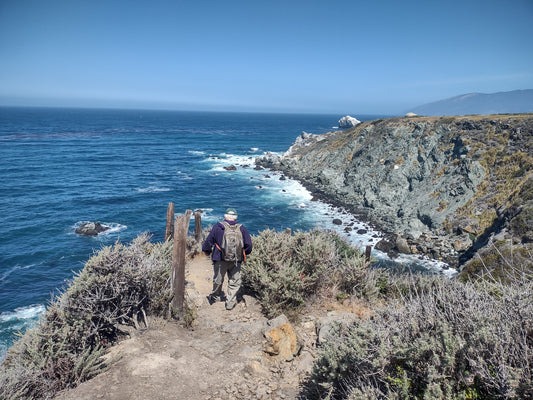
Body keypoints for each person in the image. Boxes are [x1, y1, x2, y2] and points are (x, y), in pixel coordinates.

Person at [202, 208, 253, 310]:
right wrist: (243, 254)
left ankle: (215, 297)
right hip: (236, 259)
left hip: (220, 258)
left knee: (218, 279)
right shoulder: (241, 228)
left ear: (225, 216)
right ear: (236, 217)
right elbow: (249, 245)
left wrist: (207, 251)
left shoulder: (218, 226)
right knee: (234, 281)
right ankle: (230, 303)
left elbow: (208, 241)